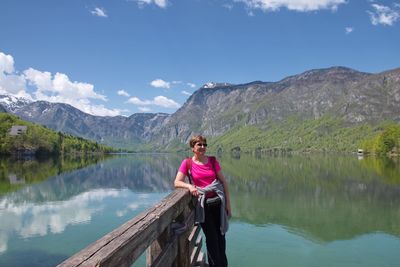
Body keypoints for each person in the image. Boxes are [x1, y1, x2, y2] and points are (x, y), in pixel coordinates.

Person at [174, 135, 231, 267]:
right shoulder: (187, 163)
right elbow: (177, 182)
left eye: (205, 144)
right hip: (204, 206)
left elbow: (223, 182)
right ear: (193, 148)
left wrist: (228, 204)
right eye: (199, 144)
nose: (203, 147)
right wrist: (189, 186)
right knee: (211, 239)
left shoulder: (212, 161)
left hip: (218, 203)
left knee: (221, 237)